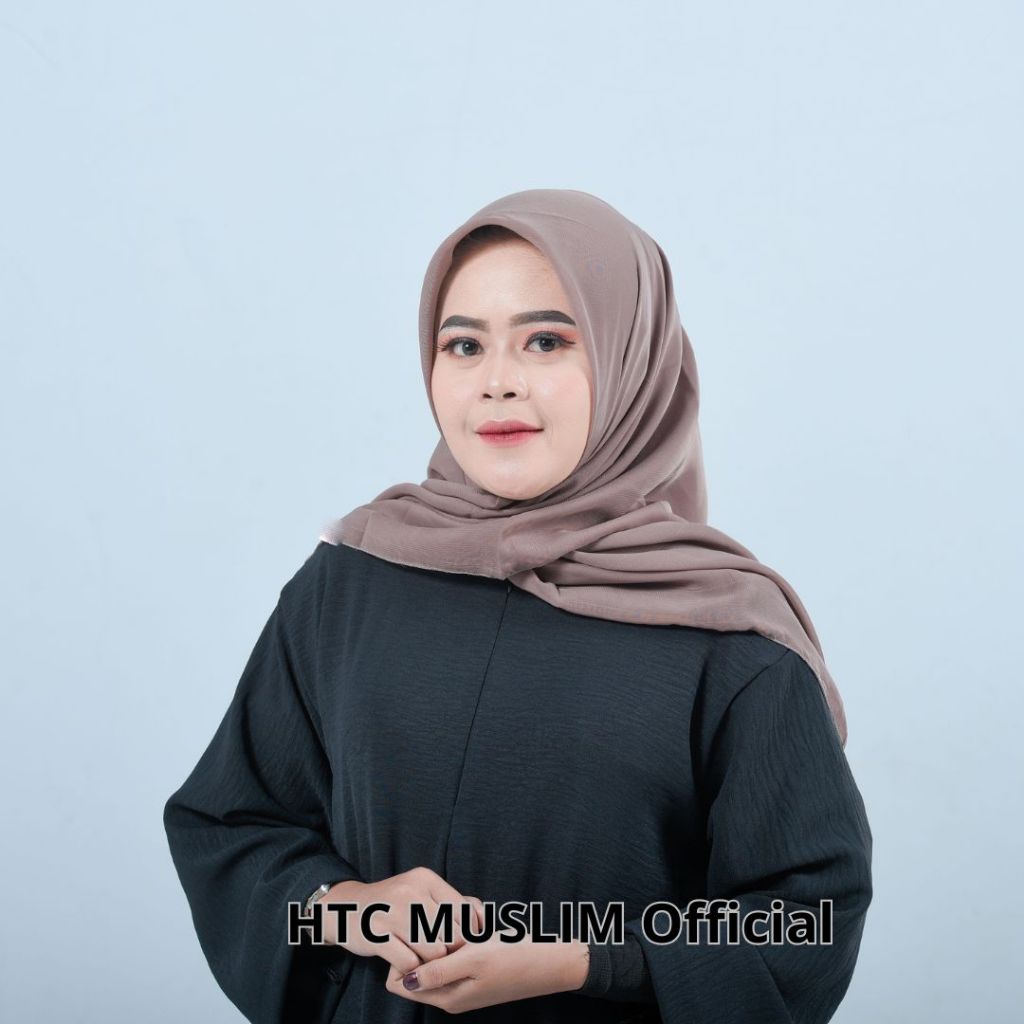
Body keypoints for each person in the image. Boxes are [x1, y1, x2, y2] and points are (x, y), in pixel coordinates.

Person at [164, 188, 872, 1024]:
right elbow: (229, 826)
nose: (497, 384)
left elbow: (807, 922)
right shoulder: (347, 584)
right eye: (464, 345)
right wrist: (343, 907)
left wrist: (581, 958)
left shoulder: (727, 634)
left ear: (630, 359)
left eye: (546, 340)